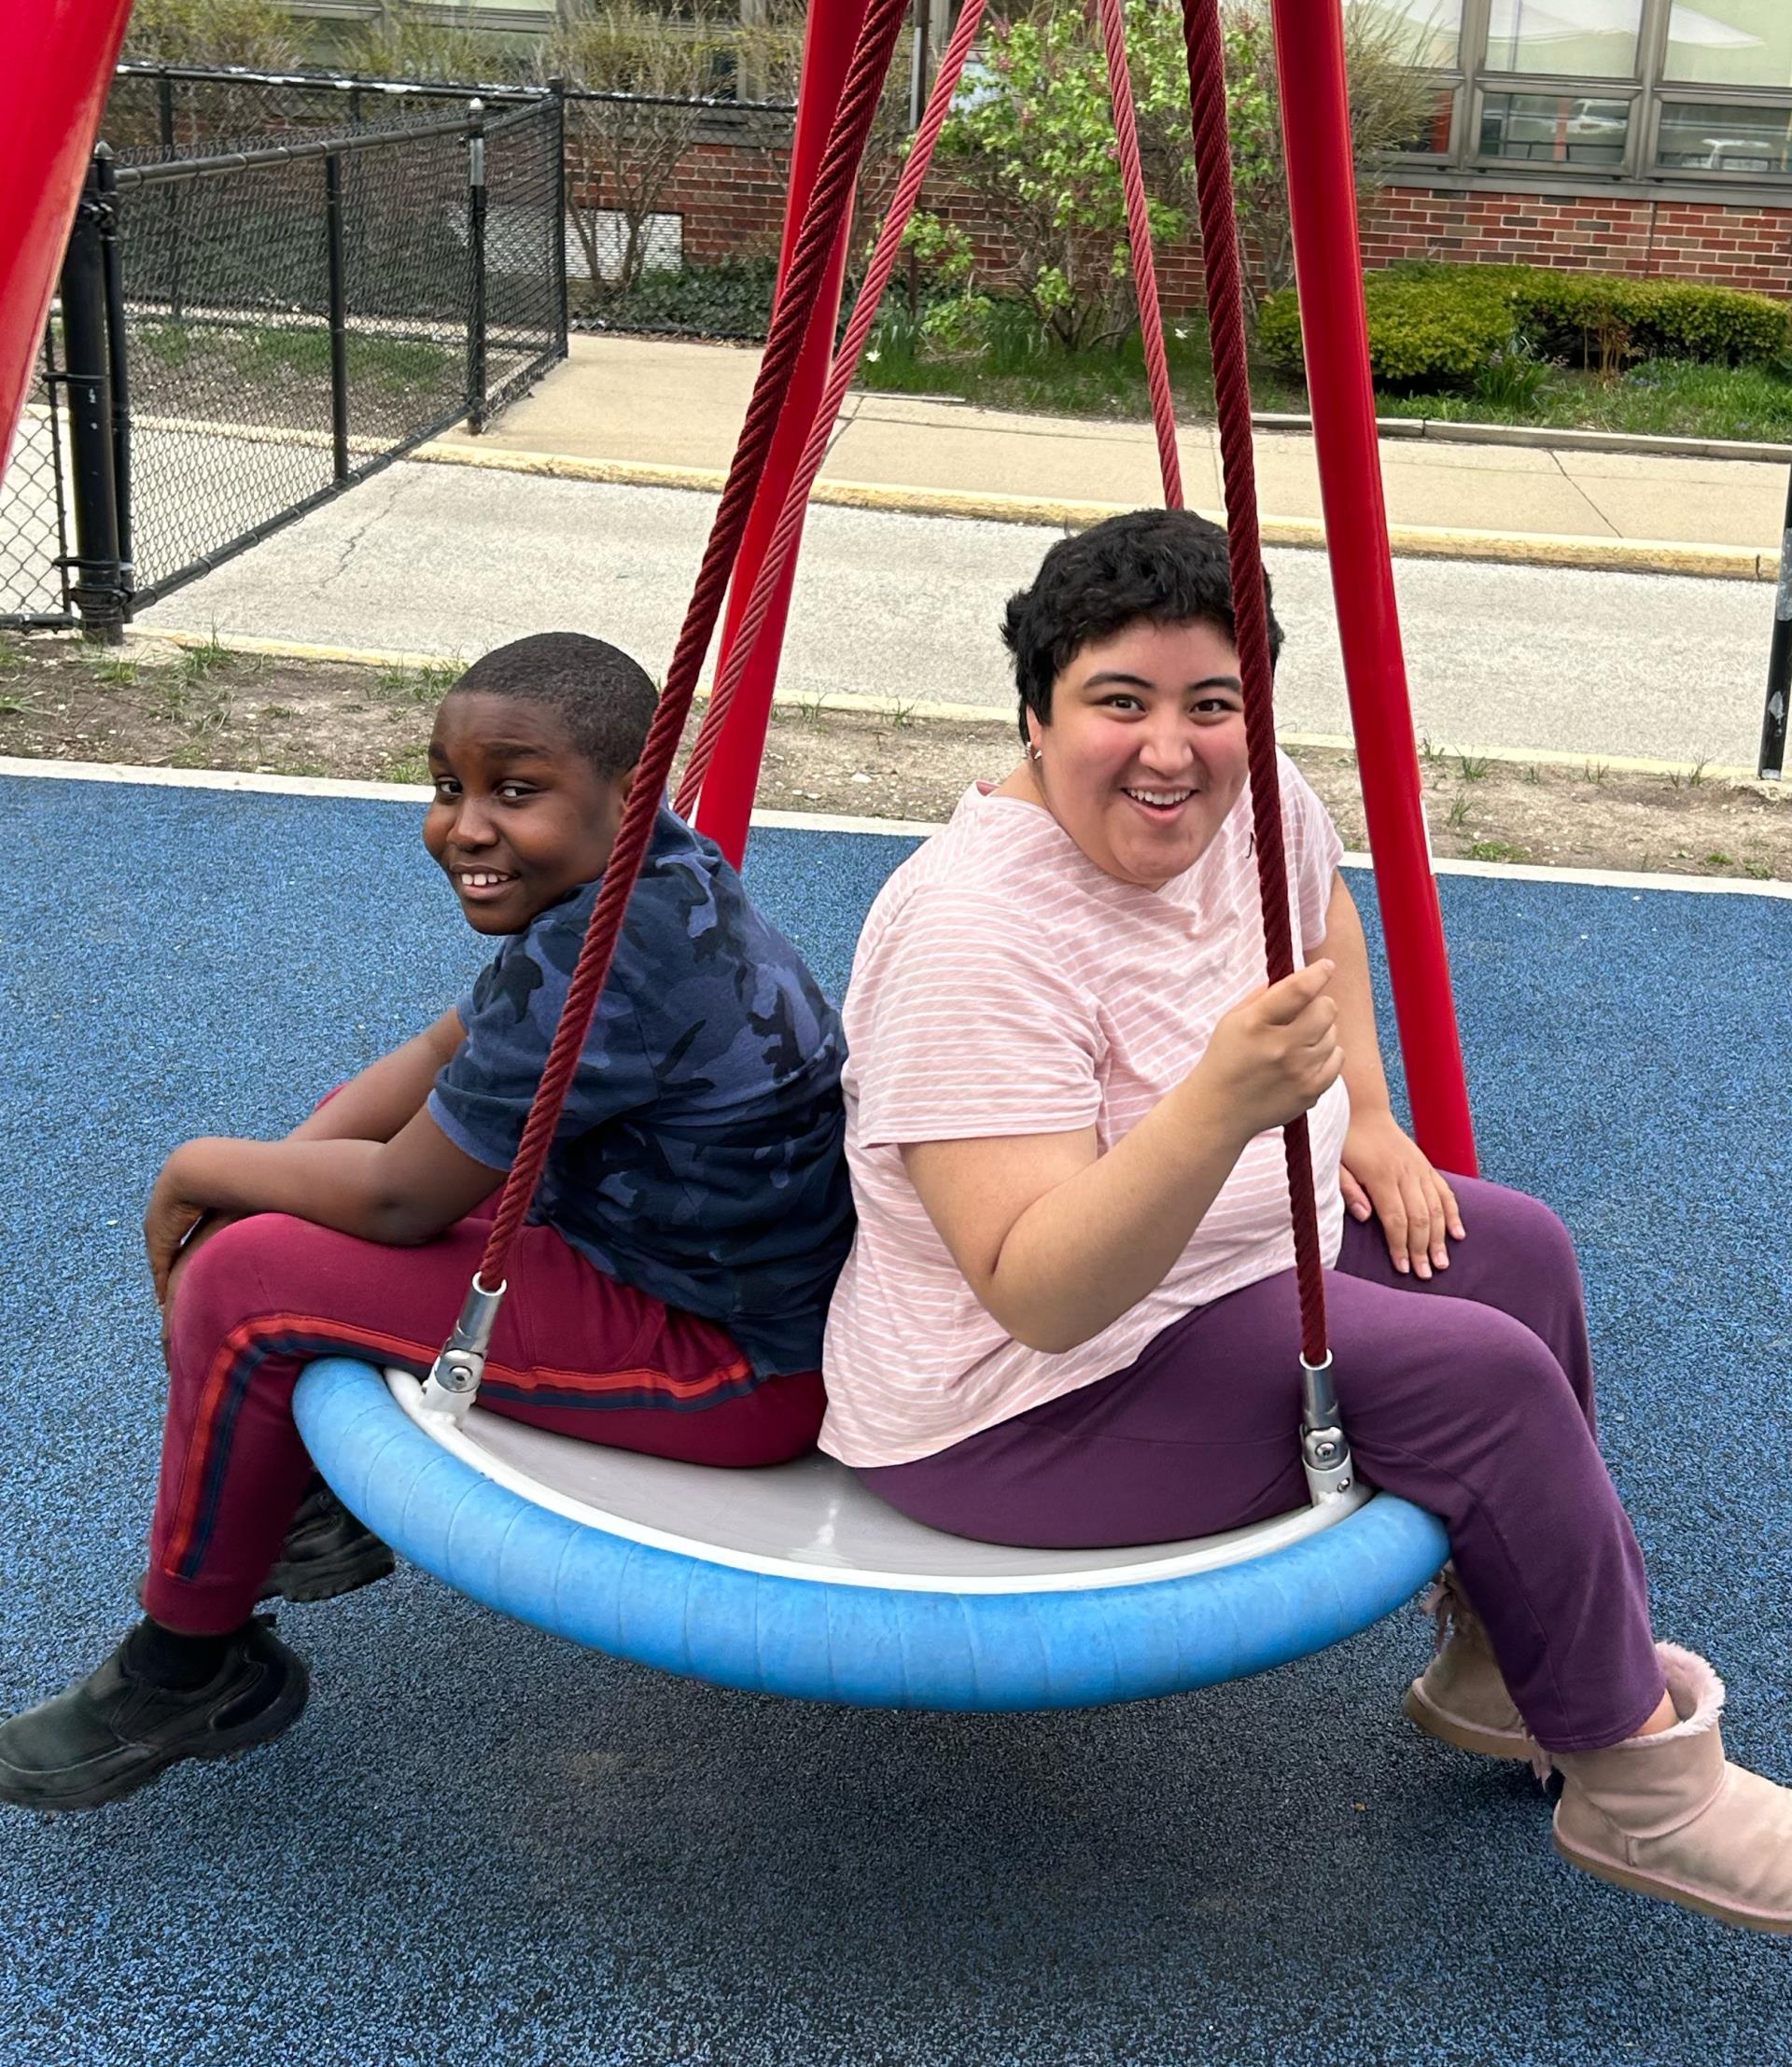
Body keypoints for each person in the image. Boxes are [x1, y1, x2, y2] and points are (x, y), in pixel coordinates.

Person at [820, 508, 1792, 1934]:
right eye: (1118, 702)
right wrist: (1219, 1104)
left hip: (1221, 1266)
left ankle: (1499, 1669)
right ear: (1034, 714)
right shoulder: (973, 934)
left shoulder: (1250, 795)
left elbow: (1318, 917)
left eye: (1211, 704)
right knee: (1478, 1382)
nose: (1171, 751)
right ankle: (1642, 1781)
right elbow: (1036, 1290)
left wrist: (1378, 1123)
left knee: (1507, 1246)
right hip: (1019, 1403)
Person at [0, 631, 853, 1811]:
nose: (465, 825)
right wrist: (276, 1173)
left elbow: (403, 1200)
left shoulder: (606, 962)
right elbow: (446, 1050)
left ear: (629, 787)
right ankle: (304, 1506)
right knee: (285, 1204)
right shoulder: (647, 878)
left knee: (245, 1285)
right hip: (675, 1267)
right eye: (448, 786)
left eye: (516, 790)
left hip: (730, 1364)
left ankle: (192, 1666)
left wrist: (196, 1172)